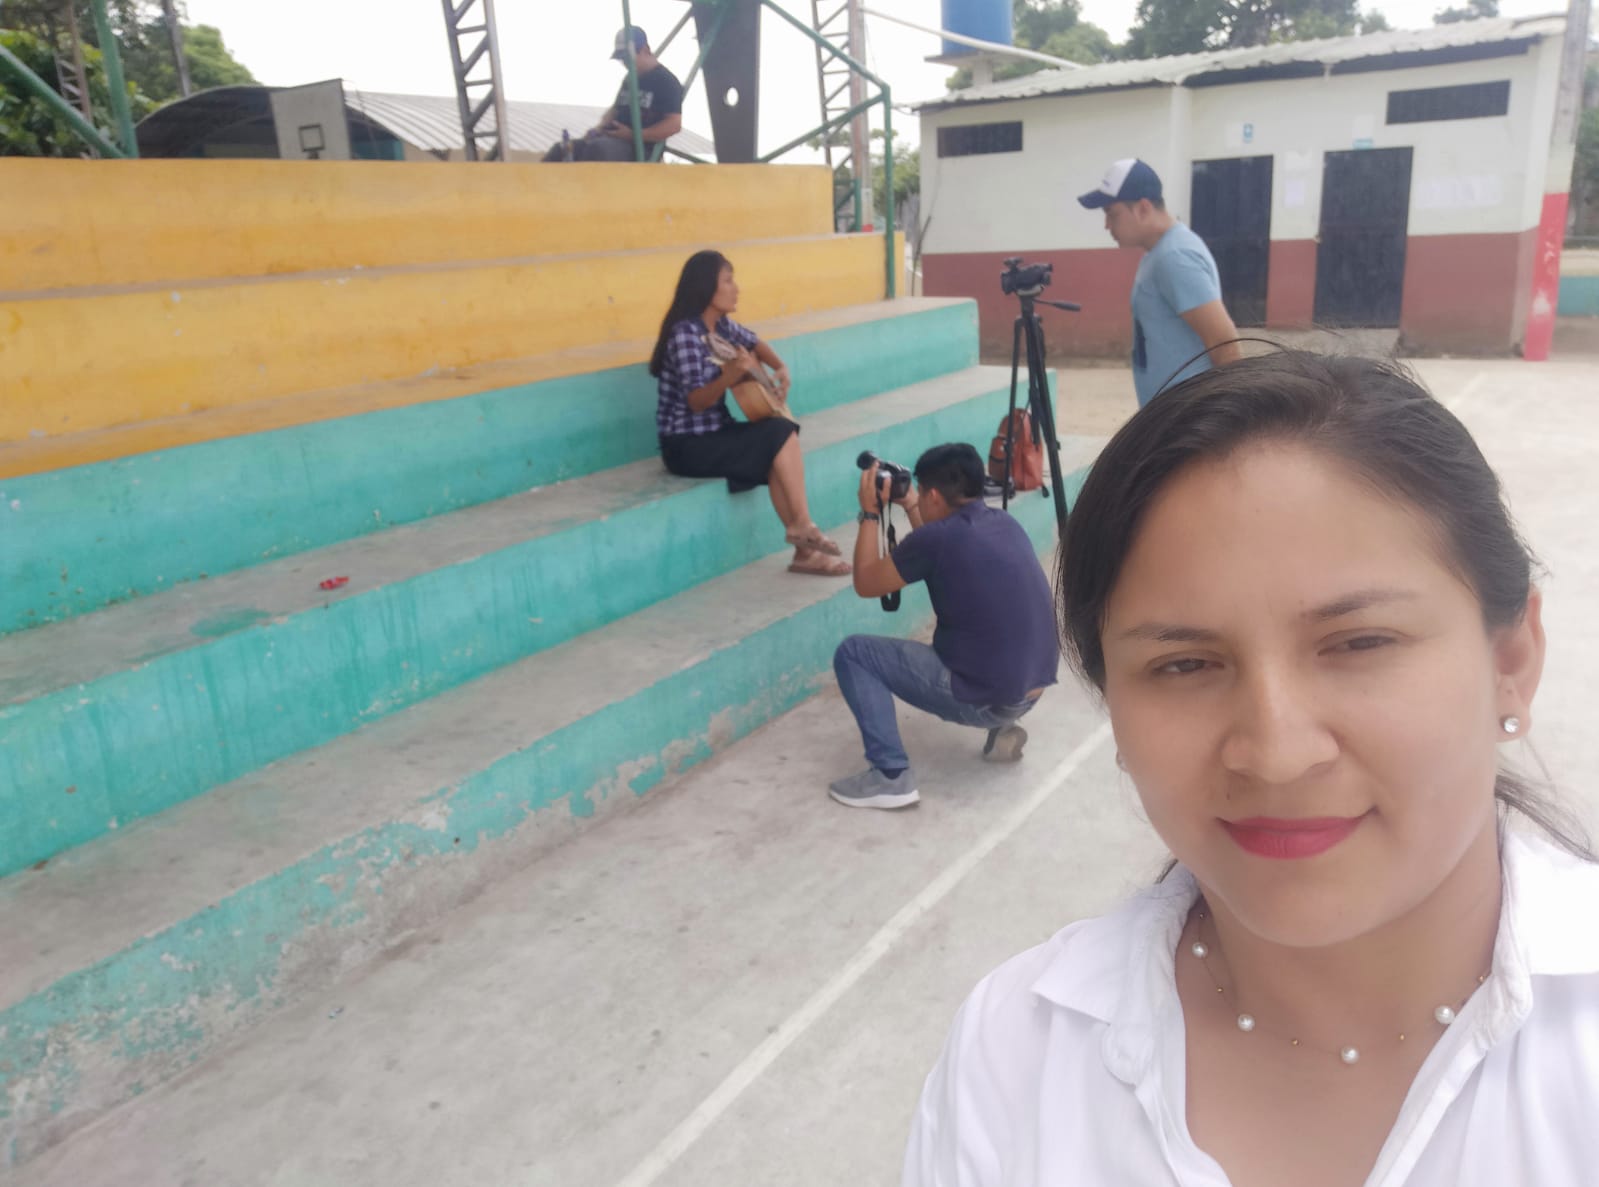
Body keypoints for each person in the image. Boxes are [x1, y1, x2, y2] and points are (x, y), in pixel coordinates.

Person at [903, 353, 1599, 1186]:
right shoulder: (1014, 1059)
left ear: (1511, 661)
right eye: (1184, 665)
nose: (1274, 752)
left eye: (1358, 642)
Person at [828, 444, 1058, 809]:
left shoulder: (936, 540)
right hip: (1034, 688)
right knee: (994, 629)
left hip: (990, 699)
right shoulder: (1003, 522)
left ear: (933, 496)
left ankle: (890, 775)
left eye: (921, 493)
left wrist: (869, 513)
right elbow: (939, 543)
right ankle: (1001, 732)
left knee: (854, 653)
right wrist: (909, 504)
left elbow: (866, 582)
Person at [650, 250, 849, 578]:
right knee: (779, 433)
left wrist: (780, 367)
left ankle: (805, 551)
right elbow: (697, 401)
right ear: (706, 287)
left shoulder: (721, 326)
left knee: (778, 439)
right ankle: (804, 529)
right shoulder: (685, 334)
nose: (736, 288)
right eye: (728, 281)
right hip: (686, 445)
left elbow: (755, 344)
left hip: (716, 433)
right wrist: (729, 376)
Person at [1078, 158, 1242, 407]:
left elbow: (1224, 343)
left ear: (1143, 208)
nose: (1107, 225)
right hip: (1168, 411)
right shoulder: (1158, 252)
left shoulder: (1175, 257)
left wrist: (1230, 415)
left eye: (1112, 214)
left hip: (1186, 411)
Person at [543, 27, 683, 162]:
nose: (625, 63)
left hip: (639, 149)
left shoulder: (666, 81)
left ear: (645, 50)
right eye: (622, 59)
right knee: (561, 150)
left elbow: (673, 125)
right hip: (611, 140)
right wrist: (598, 129)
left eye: (627, 57)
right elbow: (615, 109)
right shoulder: (630, 78)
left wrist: (632, 135)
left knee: (598, 149)